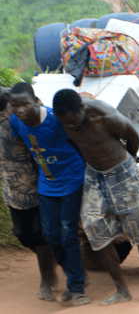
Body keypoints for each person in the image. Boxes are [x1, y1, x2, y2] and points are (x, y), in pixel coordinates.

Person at [52, 89, 139, 306]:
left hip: (122, 172)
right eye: (66, 123)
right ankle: (122, 289)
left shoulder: (104, 115)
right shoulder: (63, 120)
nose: (71, 126)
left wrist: (127, 161)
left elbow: (132, 137)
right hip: (94, 175)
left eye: (74, 121)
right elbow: (75, 143)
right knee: (94, 229)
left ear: (83, 108)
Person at [8, 83, 90, 306]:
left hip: (72, 180)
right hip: (47, 184)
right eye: (15, 106)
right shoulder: (16, 122)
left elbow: (78, 144)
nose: (20, 110)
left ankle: (77, 288)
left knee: (68, 234)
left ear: (36, 101)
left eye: (25, 104)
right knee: (51, 236)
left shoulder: (55, 120)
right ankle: (78, 275)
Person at [0, 88, 57, 301]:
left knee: (38, 233)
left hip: (37, 178)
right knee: (21, 234)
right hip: (11, 183)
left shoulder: (15, 103)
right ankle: (58, 258)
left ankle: (47, 280)